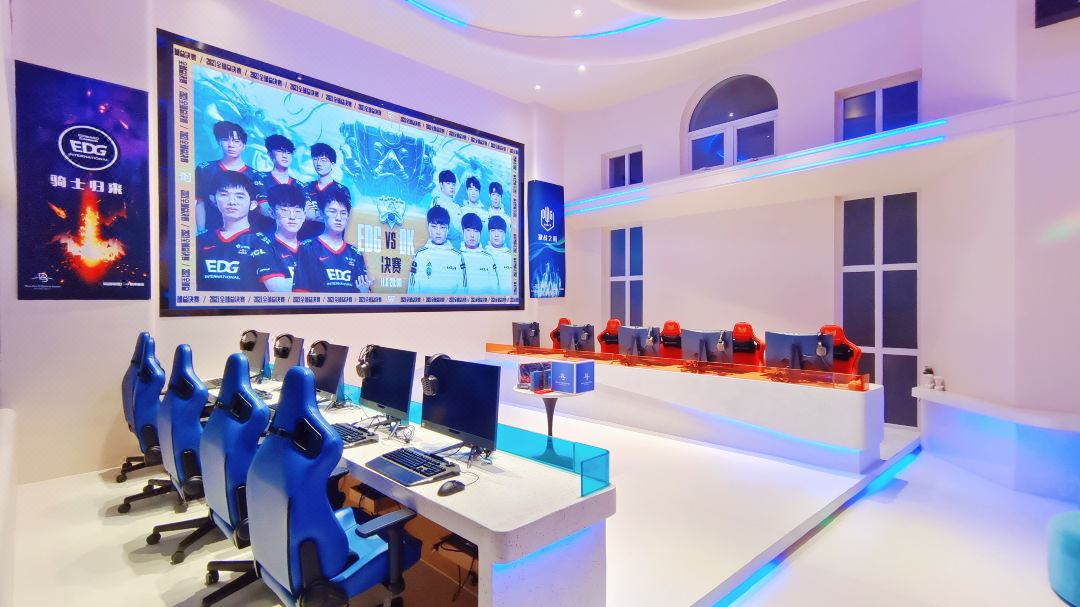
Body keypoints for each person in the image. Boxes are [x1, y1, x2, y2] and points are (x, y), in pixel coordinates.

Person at [196, 171, 272, 292]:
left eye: (239, 196)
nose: (232, 202)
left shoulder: (263, 243)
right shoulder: (200, 240)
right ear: (214, 200)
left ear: (253, 205)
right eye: (224, 194)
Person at [292, 189, 372, 293]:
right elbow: (300, 293)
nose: (338, 218)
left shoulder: (355, 253)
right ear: (321, 213)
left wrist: (365, 292)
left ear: (348, 216)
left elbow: (365, 293)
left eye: (343, 213)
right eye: (333, 212)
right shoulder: (307, 248)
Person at [195, 121, 249, 233]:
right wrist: (201, 231)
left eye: (236, 141)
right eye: (225, 140)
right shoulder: (205, 169)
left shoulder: (254, 174)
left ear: (243, 146)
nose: (231, 145)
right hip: (212, 232)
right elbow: (200, 202)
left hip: (245, 235)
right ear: (218, 142)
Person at [258, 184, 307, 292]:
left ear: (304, 215)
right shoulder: (263, 247)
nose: (292, 217)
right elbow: (281, 292)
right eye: (285, 211)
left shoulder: (312, 249)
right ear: (272, 213)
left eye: (297, 211)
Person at [250, 134, 304, 231]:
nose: (285, 156)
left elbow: (310, 214)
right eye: (280, 151)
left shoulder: (299, 185)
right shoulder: (260, 178)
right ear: (270, 154)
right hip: (265, 230)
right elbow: (264, 209)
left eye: (288, 152)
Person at [409, 205, 465, 294]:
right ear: (428, 227)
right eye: (434, 227)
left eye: (442, 227)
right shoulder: (419, 255)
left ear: (448, 229)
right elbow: (412, 289)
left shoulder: (458, 256)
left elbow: (463, 289)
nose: (438, 232)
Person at [300, 142, 350, 240]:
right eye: (315, 159)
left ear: (332, 164)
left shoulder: (342, 190)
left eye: (323, 160)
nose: (318, 163)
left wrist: (314, 215)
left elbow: (341, 219)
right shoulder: (305, 187)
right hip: (305, 241)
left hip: (331, 242)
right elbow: (300, 215)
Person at [459, 212, 498, 294]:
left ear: (480, 233)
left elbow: (495, 289)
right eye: (468, 230)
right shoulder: (457, 256)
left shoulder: (489, 258)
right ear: (462, 231)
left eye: (476, 231)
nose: (472, 235)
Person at [430, 169, 463, 248]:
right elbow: (438, 223)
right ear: (441, 185)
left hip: (458, 246)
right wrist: (457, 234)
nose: (452, 187)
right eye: (448, 183)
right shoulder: (437, 202)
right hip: (443, 246)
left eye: (453, 184)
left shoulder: (457, 206)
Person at [485, 214, 514, 295]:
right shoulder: (481, 256)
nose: (496, 235)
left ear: (505, 234)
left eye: (500, 231)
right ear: (489, 233)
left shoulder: (513, 257)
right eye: (493, 231)